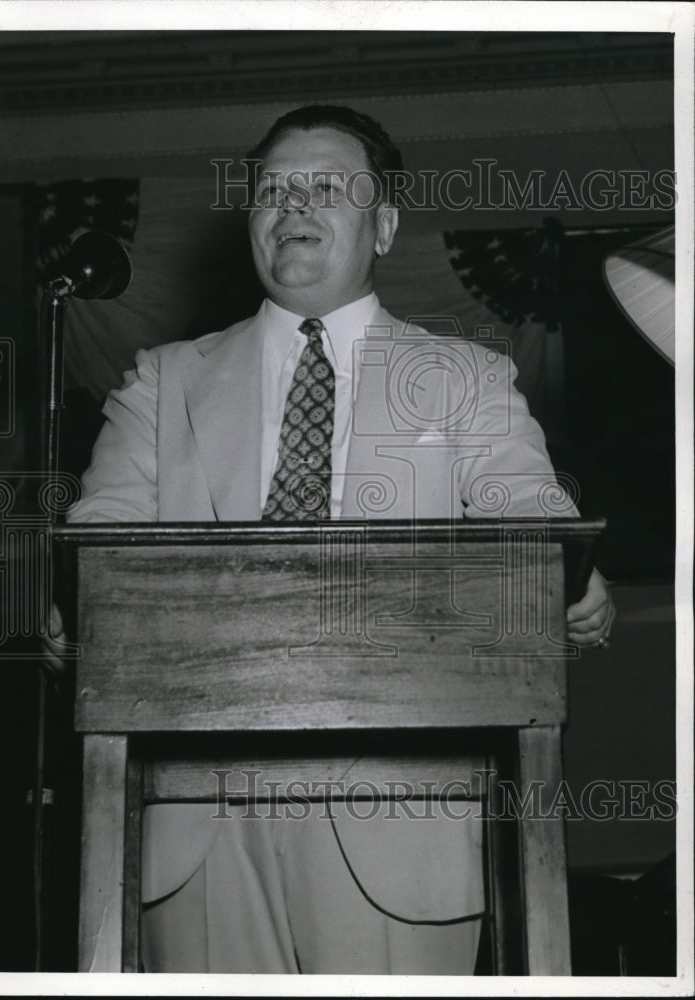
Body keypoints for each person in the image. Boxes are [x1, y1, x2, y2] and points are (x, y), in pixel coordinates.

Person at [46, 105, 614, 974]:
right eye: (273, 188)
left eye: (326, 186)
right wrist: (74, 604)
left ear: (384, 225)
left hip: (402, 823)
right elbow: (101, 542)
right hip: (196, 821)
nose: (293, 204)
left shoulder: (467, 378)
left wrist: (570, 582)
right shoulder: (162, 382)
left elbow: (532, 522)